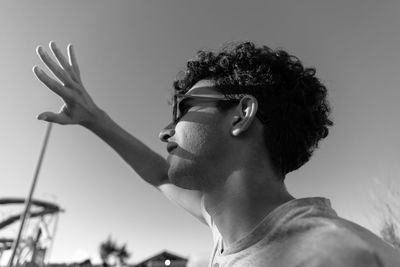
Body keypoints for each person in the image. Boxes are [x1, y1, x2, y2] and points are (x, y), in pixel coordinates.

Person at [33, 41, 400, 267]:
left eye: (184, 109)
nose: (165, 131)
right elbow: (161, 175)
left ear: (241, 114)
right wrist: (95, 119)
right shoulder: (226, 228)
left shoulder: (336, 256)